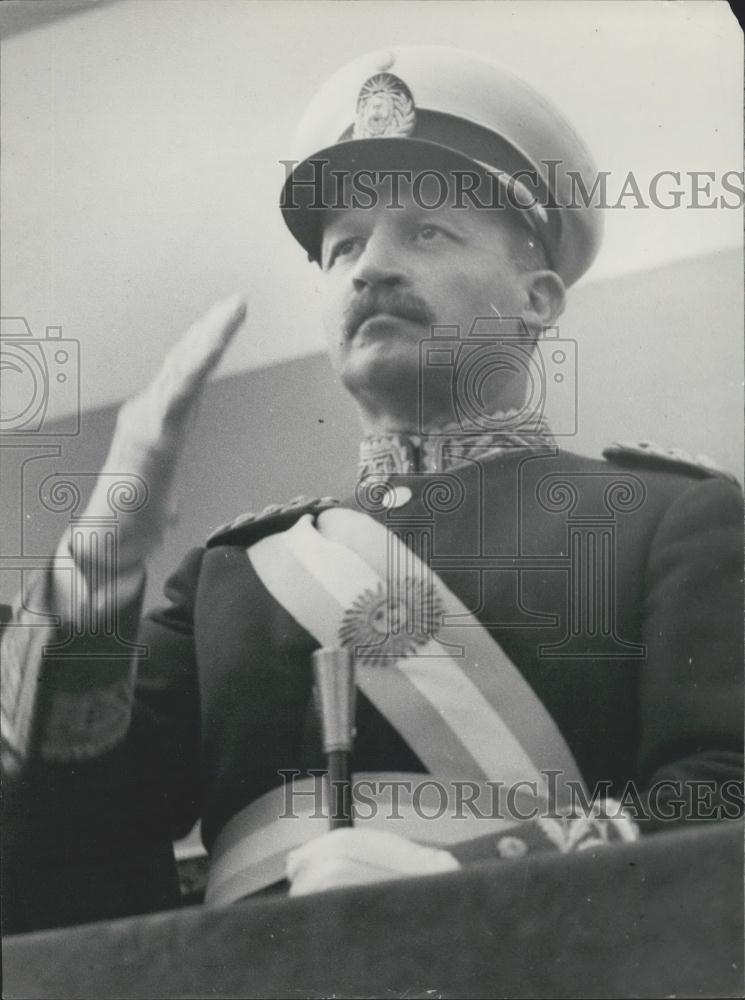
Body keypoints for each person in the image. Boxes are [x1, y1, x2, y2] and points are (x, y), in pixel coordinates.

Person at [2, 46, 742, 928]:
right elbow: (63, 829)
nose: (369, 268)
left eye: (426, 233)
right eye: (344, 246)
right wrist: (110, 537)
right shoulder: (227, 580)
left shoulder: (666, 520)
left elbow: (723, 798)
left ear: (538, 298)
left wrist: (468, 882)